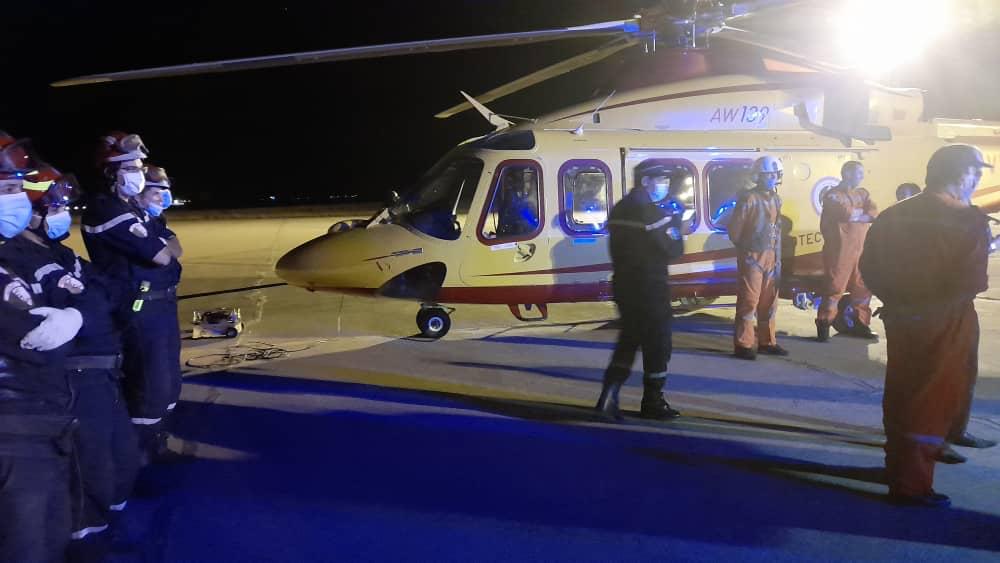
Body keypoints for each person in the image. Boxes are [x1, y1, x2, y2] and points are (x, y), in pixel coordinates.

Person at [860, 144, 993, 507]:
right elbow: (972, 282)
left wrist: (900, 303)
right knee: (931, 400)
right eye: (974, 171)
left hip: (901, 318)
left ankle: (897, 466)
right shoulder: (968, 221)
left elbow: (868, 267)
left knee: (903, 390)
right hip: (945, 320)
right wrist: (931, 309)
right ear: (959, 173)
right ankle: (912, 485)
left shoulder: (893, 215)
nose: (977, 178)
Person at [24, 168, 140, 558]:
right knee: (89, 471)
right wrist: (84, 306)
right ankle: (83, 545)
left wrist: (81, 309)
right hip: (75, 377)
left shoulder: (59, 253)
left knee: (121, 461)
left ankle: (104, 532)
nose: (62, 214)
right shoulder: (16, 257)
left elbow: (104, 291)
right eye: (54, 207)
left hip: (103, 372)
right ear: (33, 212)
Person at [0, 132, 82, 562]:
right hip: (13, 432)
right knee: (28, 544)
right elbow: (34, 337)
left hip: (37, 420)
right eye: (8, 190)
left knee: (49, 535)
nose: (19, 200)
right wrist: (69, 320)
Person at [81, 133, 183, 464]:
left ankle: (157, 443)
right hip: (139, 309)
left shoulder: (134, 210)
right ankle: (136, 457)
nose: (137, 174)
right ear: (109, 173)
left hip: (160, 305)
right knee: (149, 385)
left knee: (168, 381)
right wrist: (161, 243)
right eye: (129, 168)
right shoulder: (106, 210)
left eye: (138, 167)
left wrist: (160, 240)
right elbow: (162, 256)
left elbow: (176, 249)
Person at [595, 162, 684, 421]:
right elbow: (674, 249)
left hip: (624, 285)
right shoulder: (652, 213)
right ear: (645, 181)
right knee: (658, 345)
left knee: (629, 340)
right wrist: (675, 222)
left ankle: (608, 395)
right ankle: (653, 401)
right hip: (651, 287)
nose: (665, 185)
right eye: (661, 180)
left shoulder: (620, 208)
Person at [728, 155, 789, 360]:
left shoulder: (776, 199)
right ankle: (743, 344)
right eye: (768, 175)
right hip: (753, 258)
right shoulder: (748, 199)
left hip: (772, 257)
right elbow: (735, 232)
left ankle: (767, 342)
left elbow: (776, 229)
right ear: (758, 176)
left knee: (769, 303)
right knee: (749, 301)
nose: (772, 178)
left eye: (774, 175)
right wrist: (747, 250)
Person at [815, 161, 879, 341]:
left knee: (863, 288)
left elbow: (873, 213)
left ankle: (860, 323)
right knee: (834, 288)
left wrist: (860, 215)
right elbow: (846, 214)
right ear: (847, 173)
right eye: (858, 172)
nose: (861, 176)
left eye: (862, 172)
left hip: (860, 251)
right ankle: (824, 323)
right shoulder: (833, 196)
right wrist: (861, 215)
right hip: (839, 252)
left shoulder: (862, 193)